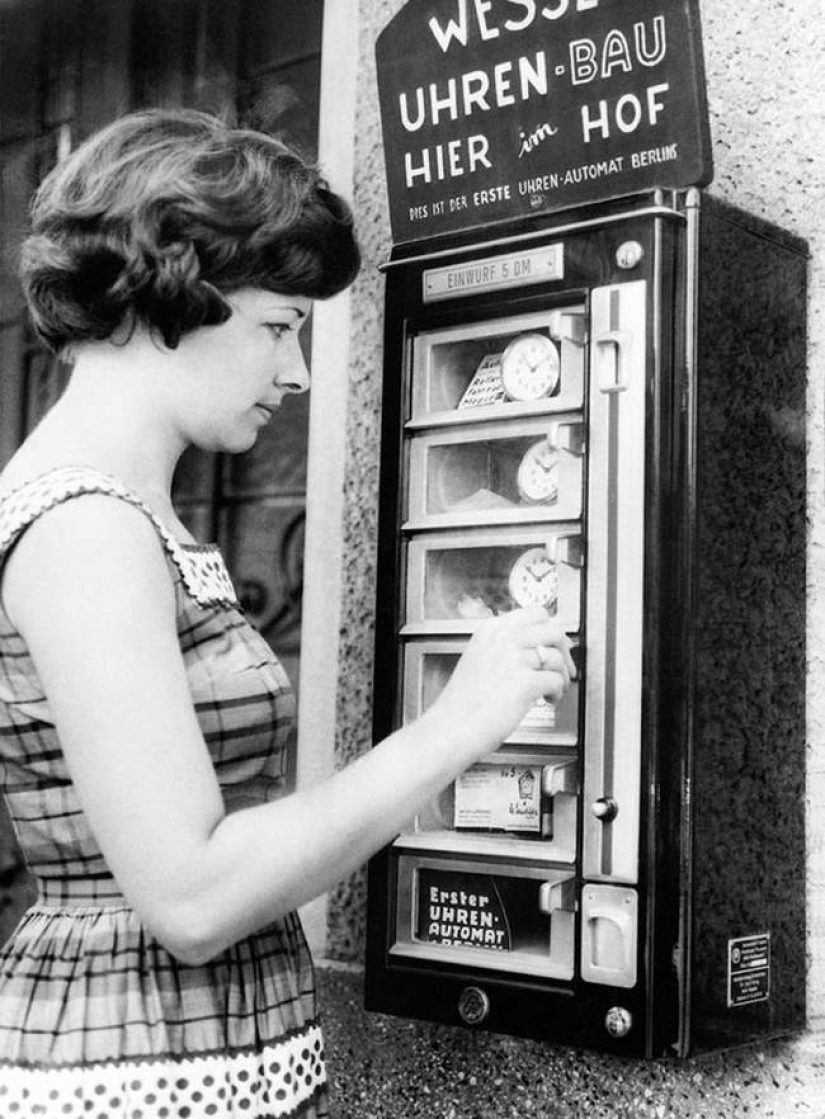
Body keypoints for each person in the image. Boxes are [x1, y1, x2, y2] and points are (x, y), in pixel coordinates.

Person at [0, 108, 575, 1119]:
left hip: (196, 1054)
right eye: (278, 326)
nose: (298, 372)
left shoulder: (127, 512)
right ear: (171, 290)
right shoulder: (84, 527)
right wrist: (453, 727)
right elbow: (192, 896)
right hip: (136, 1070)